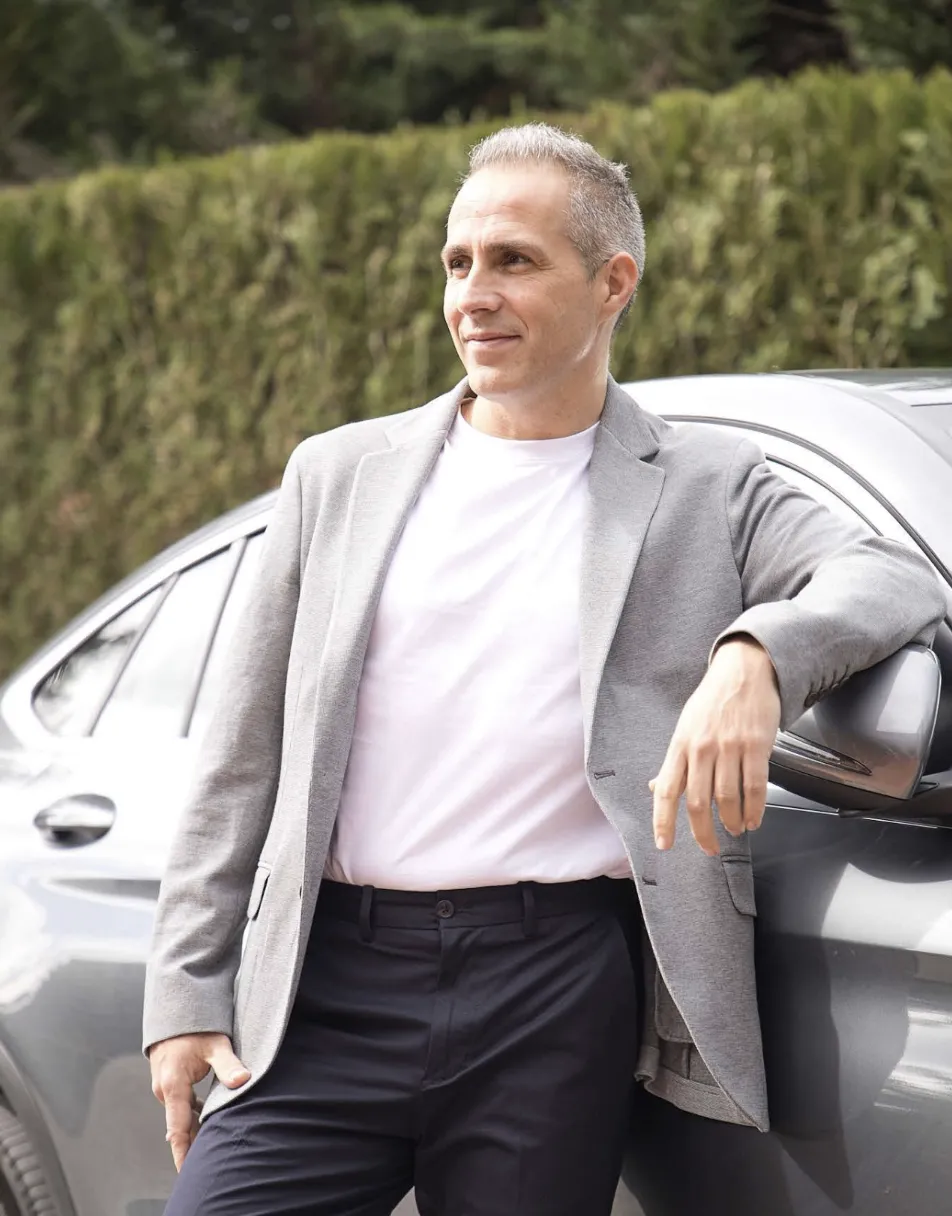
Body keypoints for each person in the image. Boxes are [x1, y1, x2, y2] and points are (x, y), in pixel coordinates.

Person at [144, 123, 944, 1216]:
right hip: (325, 985)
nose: (473, 295)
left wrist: (755, 655)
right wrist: (186, 992)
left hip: (552, 993)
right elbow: (239, 758)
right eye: (458, 263)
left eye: (513, 260)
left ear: (613, 283)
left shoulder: (707, 485)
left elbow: (890, 575)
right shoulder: (338, 475)